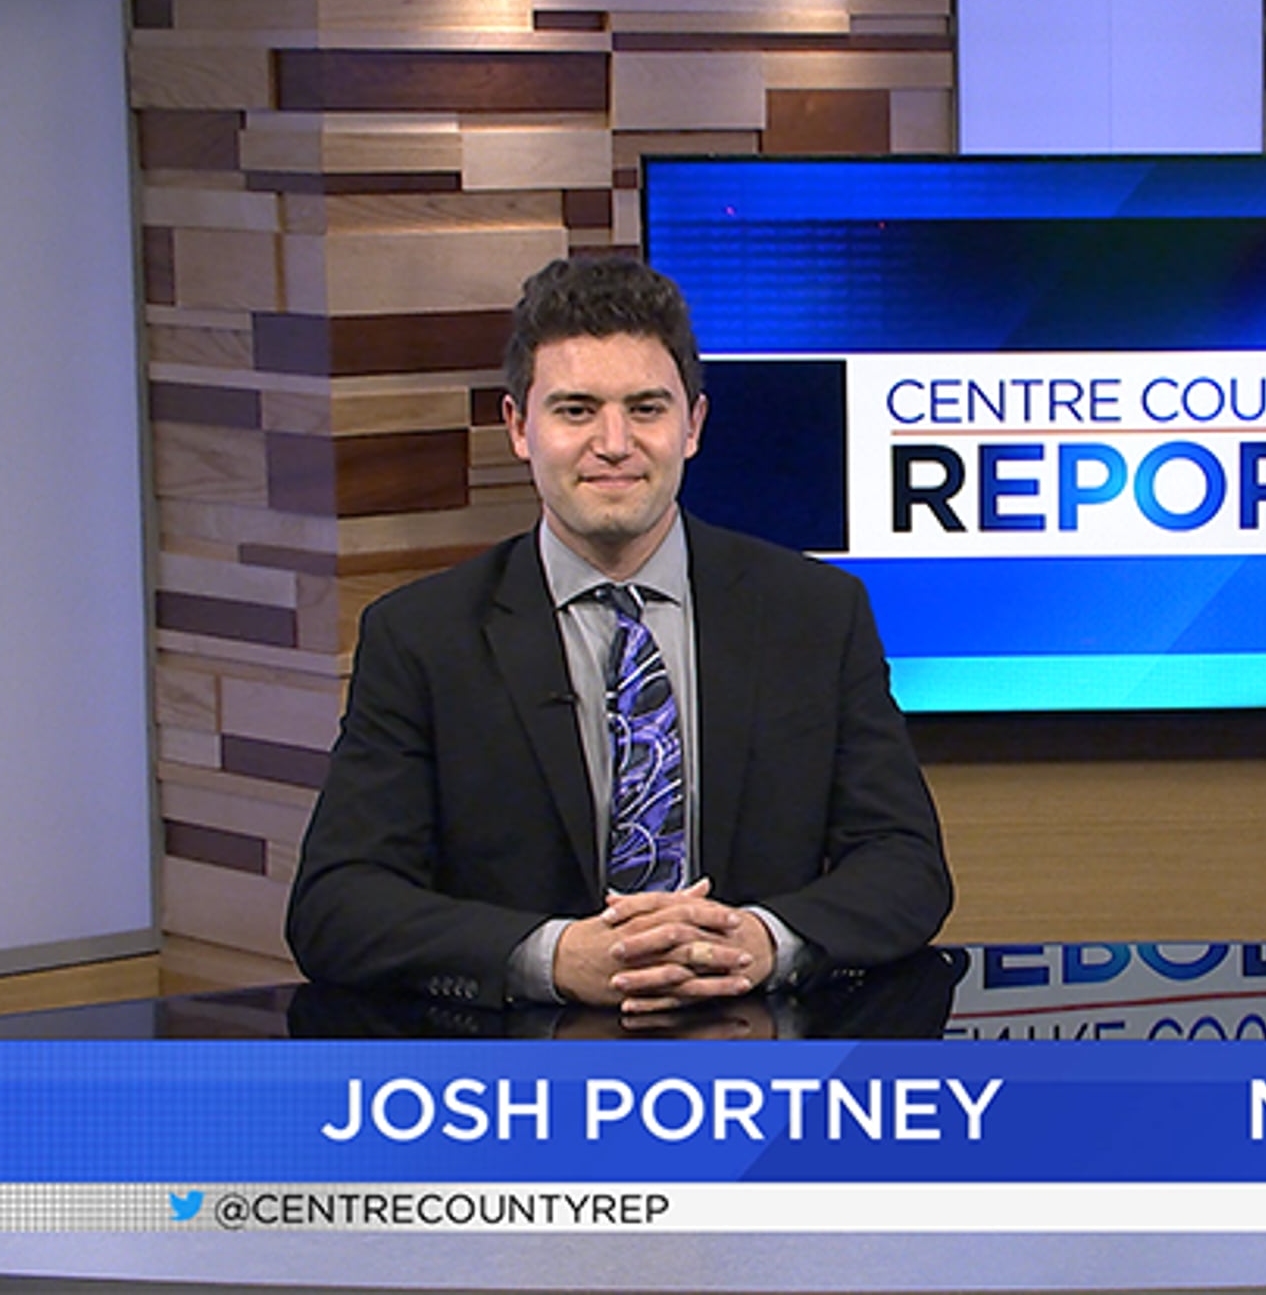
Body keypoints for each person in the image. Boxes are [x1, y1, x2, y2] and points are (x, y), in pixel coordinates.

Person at [287, 256, 951, 1010]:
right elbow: (336, 904)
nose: (613, 442)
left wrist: (761, 941)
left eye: (646, 408)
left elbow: (906, 866)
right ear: (519, 427)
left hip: (760, 1047)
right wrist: (551, 956)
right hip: (522, 1062)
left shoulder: (816, 614)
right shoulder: (422, 638)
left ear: (693, 426)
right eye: (576, 410)